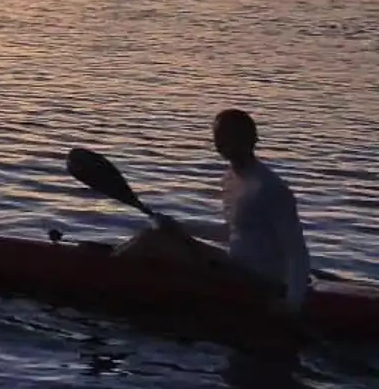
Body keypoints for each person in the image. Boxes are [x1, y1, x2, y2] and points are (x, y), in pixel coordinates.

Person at [120, 108, 312, 308]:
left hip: (258, 279)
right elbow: (232, 231)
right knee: (156, 234)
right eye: (218, 136)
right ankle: (114, 265)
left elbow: (297, 250)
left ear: (251, 139)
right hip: (234, 264)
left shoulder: (269, 187)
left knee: (152, 240)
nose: (221, 142)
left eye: (229, 136)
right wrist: (180, 227)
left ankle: (109, 273)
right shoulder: (230, 178)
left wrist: (293, 302)